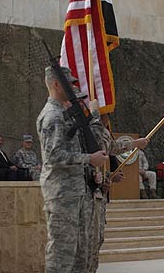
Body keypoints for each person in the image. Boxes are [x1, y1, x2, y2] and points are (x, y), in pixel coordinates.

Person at [36, 66, 108, 273]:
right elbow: (53, 157)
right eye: (69, 84)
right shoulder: (52, 116)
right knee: (62, 253)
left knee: (79, 253)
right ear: (56, 84)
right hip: (62, 194)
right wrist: (89, 159)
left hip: (77, 193)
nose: (73, 88)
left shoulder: (66, 115)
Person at [88, 101, 148, 273]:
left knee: (97, 240)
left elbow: (113, 147)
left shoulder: (102, 135)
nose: (107, 120)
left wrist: (136, 144)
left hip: (100, 194)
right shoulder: (92, 133)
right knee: (89, 241)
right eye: (105, 115)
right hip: (89, 197)